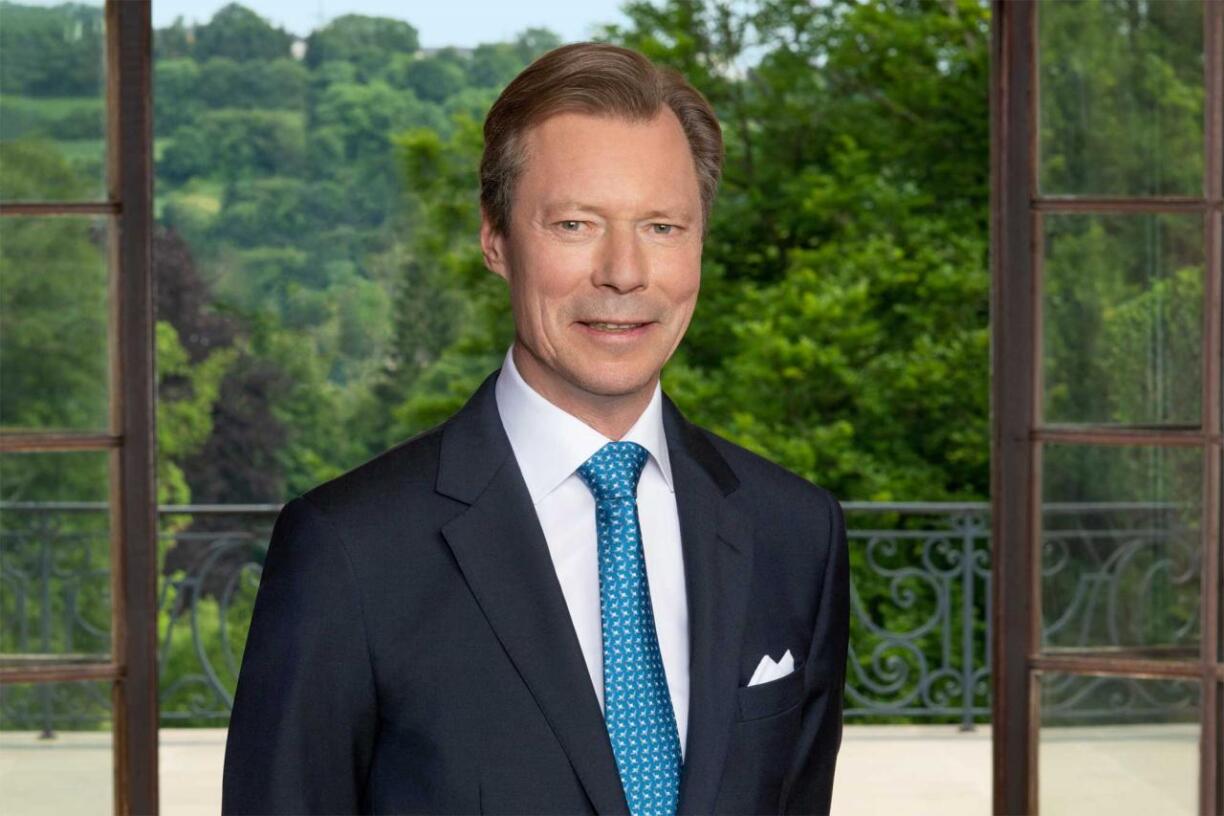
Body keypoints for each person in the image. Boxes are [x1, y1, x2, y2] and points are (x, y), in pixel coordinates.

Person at [221, 41, 849, 815]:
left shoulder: (796, 534)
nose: (624, 272)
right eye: (576, 223)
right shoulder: (348, 551)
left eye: (662, 226)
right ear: (496, 238)